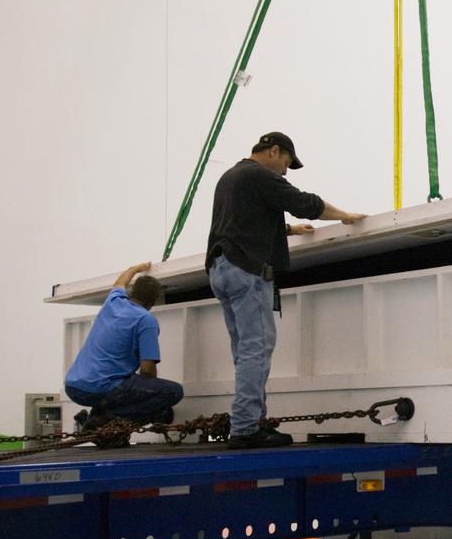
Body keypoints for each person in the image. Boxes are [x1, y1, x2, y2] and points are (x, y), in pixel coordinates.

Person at [206, 131, 366, 449]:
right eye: (287, 164)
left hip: (221, 269)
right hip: (247, 270)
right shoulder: (259, 174)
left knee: (244, 351)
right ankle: (246, 428)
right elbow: (303, 203)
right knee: (258, 348)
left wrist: (289, 230)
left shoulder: (231, 176)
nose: (285, 172)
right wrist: (344, 215)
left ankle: (252, 422)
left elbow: (245, 221)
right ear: (275, 152)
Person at [65, 262, 184, 429]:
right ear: (153, 300)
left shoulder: (113, 301)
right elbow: (147, 370)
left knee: (120, 384)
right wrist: (152, 403)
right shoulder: (145, 320)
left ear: (132, 292)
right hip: (102, 388)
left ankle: (97, 415)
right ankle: (105, 421)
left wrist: (135, 269)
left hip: (73, 386)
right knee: (173, 392)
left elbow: (120, 281)